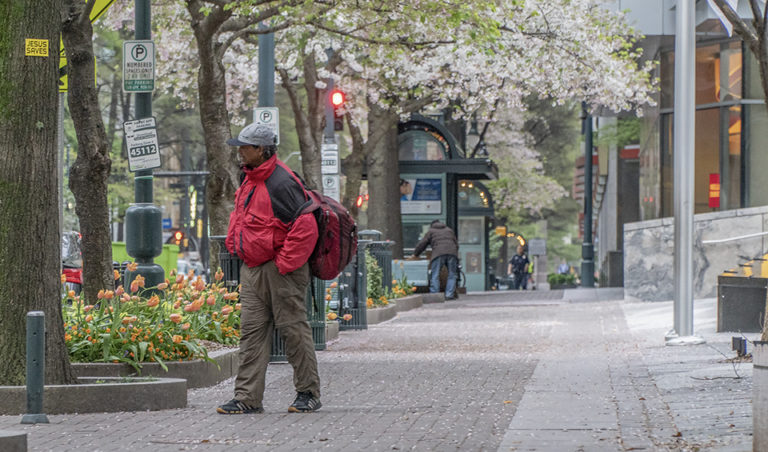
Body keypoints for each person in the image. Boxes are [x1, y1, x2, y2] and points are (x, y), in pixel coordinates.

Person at [217, 122, 322, 415]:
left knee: (293, 331)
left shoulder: (282, 182)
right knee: (251, 334)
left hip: (280, 270)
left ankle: (308, 393)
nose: (240, 152)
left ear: (261, 150)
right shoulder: (249, 177)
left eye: (245, 147)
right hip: (253, 268)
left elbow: (306, 228)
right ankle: (247, 398)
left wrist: (283, 264)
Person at [412, 220, 459, 300]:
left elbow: (423, 243)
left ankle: (435, 295)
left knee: (435, 274)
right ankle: (449, 295)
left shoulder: (431, 231)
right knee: (452, 274)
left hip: (438, 253)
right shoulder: (449, 230)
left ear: (432, 225)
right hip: (452, 253)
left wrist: (416, 254)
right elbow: (456, 244)